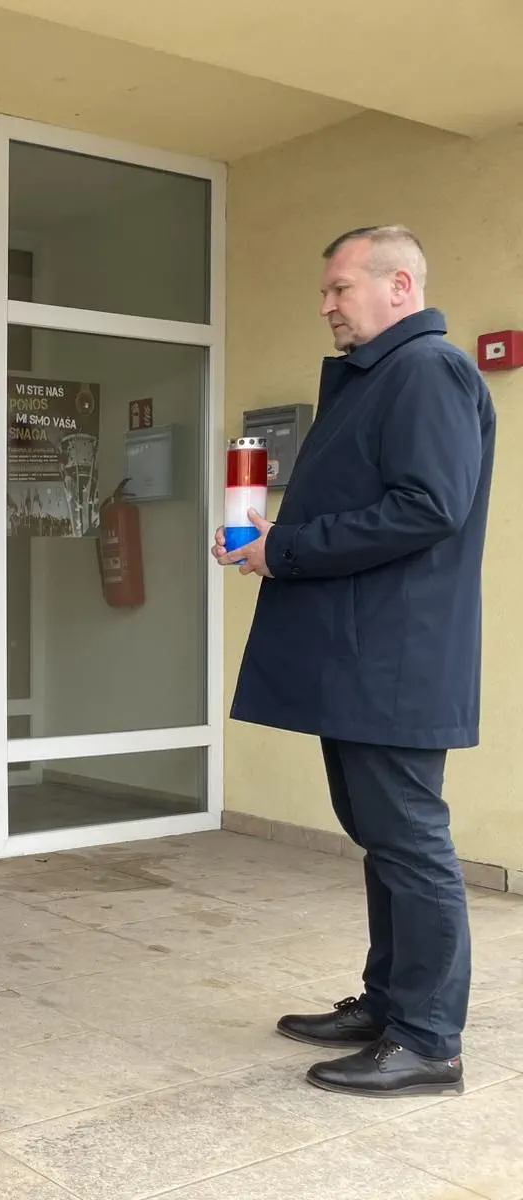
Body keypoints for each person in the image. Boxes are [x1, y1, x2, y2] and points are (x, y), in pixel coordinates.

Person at [216, 225, 494, 1098]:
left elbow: (427, 508)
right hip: (366, 658)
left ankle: (428, 1042)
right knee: (384, 841)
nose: (327, 306)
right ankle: (387, 1003)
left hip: (396, 660)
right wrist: (270, 543)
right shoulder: (383, 378)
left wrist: (284, 549)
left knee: (411, 845)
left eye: (340, 288)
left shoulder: (427, 370)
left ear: (400, 285)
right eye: (328, 292)